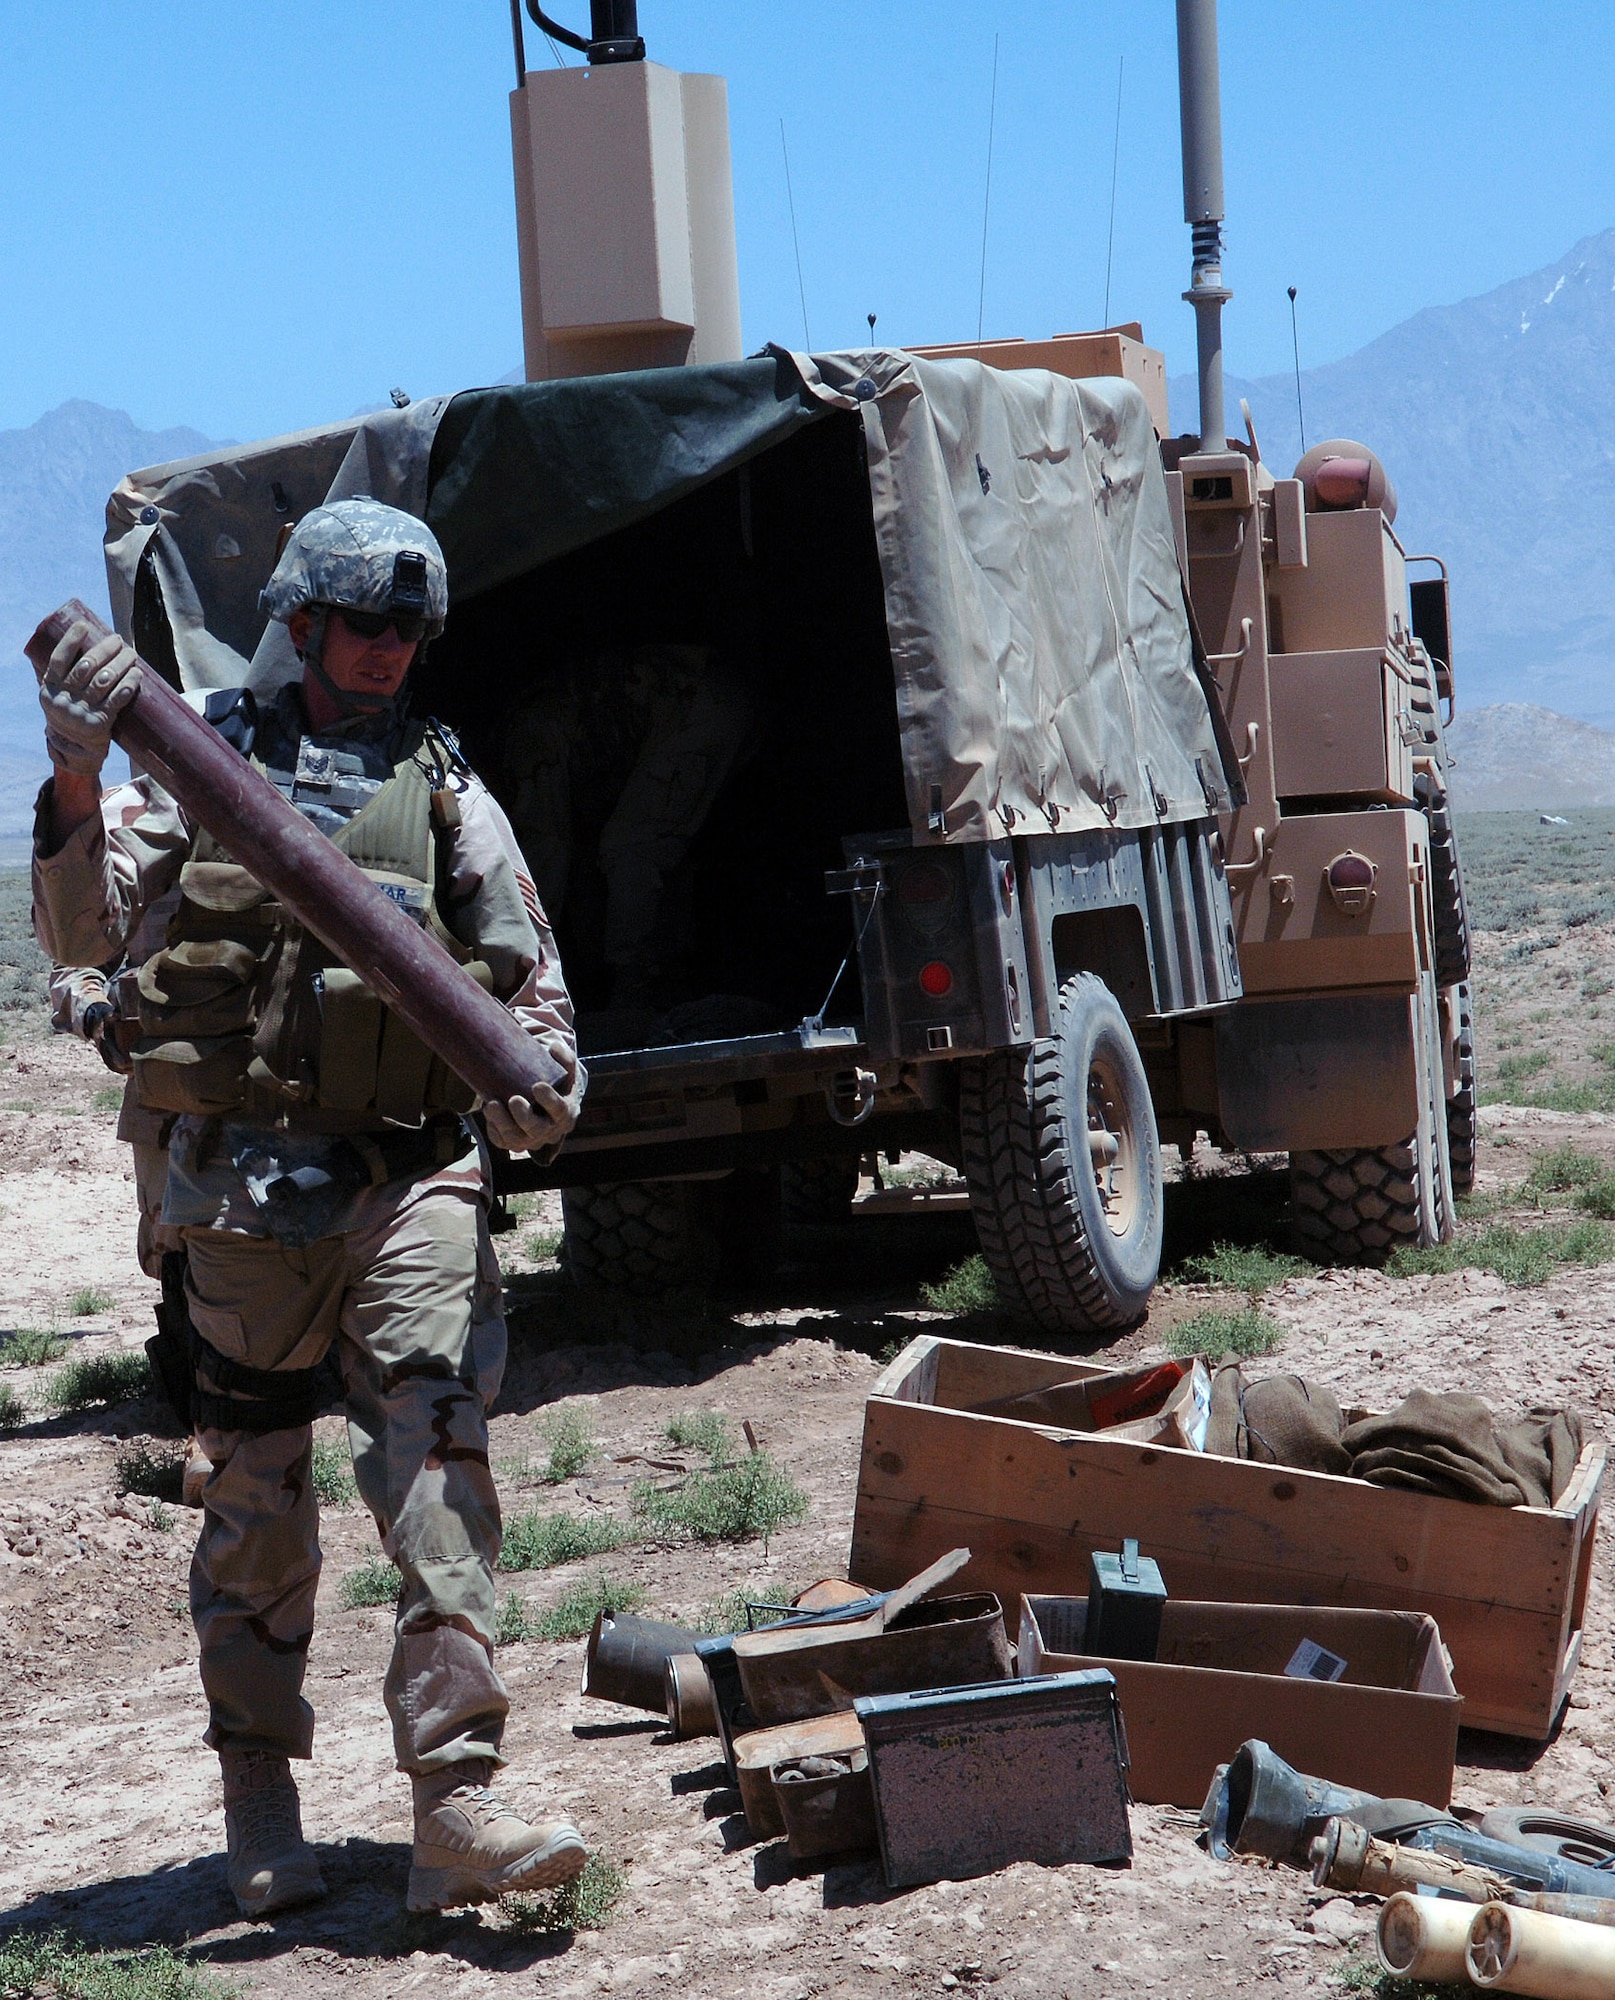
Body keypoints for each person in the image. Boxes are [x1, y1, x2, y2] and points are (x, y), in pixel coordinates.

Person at [31, 500, 588, 1919]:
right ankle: (259, 1800)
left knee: (437, 1458)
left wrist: (549, 1084)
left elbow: (530, 981)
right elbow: (81, 937)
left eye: (410, 626)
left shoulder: (444, 787)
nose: (391, 650)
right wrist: (79, 775)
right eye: (365, 622)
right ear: (300, 621)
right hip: (232, 1201)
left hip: (406, 1181)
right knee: (256, 1503)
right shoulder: (199, 763)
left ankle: (457, 1800)